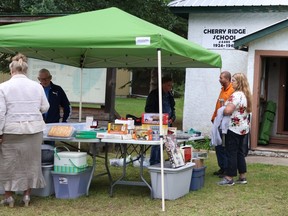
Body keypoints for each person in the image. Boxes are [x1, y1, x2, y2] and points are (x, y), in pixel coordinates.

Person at [0, 53, 50, 207]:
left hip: (11, 130)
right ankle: (27, 196)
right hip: (34, 130)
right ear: (26, 71)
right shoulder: (37, 86)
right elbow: (45, 107)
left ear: (11, 70)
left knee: (8, 163)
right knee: (30, 162)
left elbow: (1, 113)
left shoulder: (3, 87)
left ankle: (9, 197)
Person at [218, 73, 252, 186]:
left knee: (231, 152)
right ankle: (242, 176)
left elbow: (228, 111)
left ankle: (229, 178)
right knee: (239, 152)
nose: (231, 83)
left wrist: (221, 109)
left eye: (233, 81)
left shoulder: (236, 95)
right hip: (243, 128)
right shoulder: (245, 95)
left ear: (239, 82)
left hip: (234, 128)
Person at [145, 76, 176, 165]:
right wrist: (159, 118)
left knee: (164, 143)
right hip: (157, 123)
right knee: (157, 143)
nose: (170, 87)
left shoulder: (170, 95)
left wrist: (172, 118)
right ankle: (154, 162)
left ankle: (159, 162)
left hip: (168, 122)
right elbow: (148, 110)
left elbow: (172, 108)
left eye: (171, 86)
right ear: (162, 84)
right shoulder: (154, 94)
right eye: (168, 85)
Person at [211, 71, 234, 177]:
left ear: (227, 79)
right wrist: (213, 117)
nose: (219, 79)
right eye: (219, 77)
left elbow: (228, 108)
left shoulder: (231, 91)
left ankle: (226, 169)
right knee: (218, 145)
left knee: (224, 146)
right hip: (217, 121)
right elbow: (218, 106)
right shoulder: (222, 90)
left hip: (225, 123)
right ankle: (222, 167)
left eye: (221, 78)